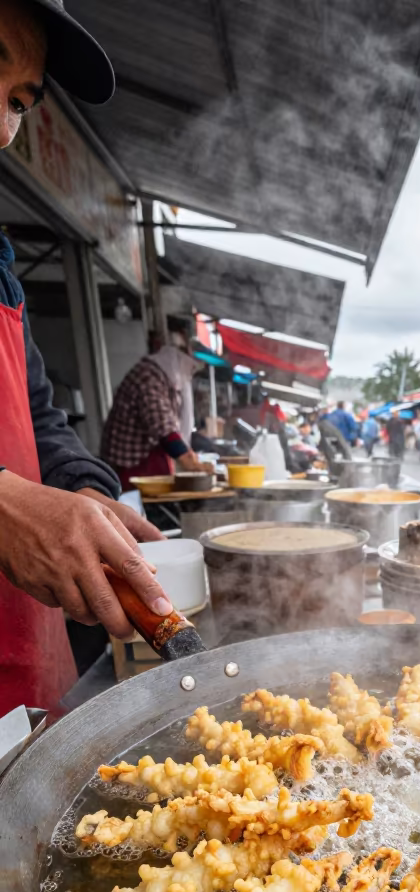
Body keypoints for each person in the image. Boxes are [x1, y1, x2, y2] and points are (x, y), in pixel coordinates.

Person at [0, 0, 169, 717]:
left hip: (24, 674)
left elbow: (38, 415)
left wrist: (83, 489)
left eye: (15, 101)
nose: (1, 128)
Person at [101, 331, 204, 489]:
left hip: (146, 454)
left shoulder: (164, 379)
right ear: (175, 362)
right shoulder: (148, 377)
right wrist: (186, 458)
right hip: (130, 462)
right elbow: (163, 425)